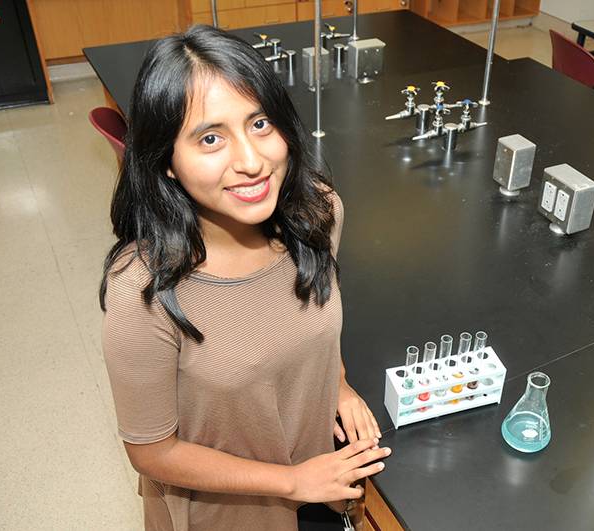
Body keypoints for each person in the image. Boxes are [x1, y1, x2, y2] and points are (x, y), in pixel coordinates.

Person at [99, 24, 389, 530]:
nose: (252, 162)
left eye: (259, 125)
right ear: (166, 160)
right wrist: (292, 481)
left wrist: (338, 385)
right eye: (211, 138)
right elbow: (152, 452)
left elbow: (314, 318)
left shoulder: (317, 214)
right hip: (230, 511)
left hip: (319, 483)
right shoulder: (142, 291)